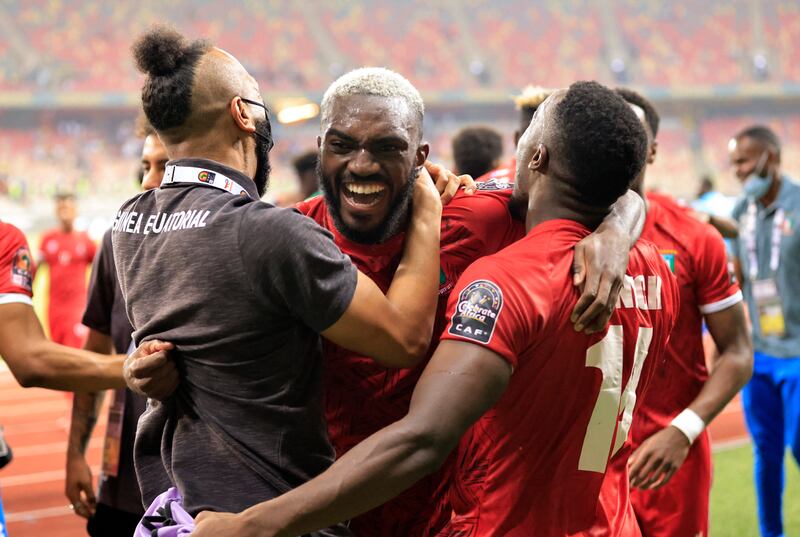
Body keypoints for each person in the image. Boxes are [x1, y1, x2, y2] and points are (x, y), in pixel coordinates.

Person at [128, 67, 647, 536]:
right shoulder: (282, 240)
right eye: (343, 144)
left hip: (442, 517)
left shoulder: (477, 216)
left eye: (387, 148)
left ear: (420, 158)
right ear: (321, 147)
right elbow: (198, 348)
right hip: (312, 516)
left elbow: (591, 177)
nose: (361, 165)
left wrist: (617, 225)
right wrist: (148, 371)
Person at [115, 27, 443, 534]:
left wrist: (143, 370)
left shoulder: (130, 221)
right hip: (273, 511)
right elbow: (403, 338)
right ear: (242, 114)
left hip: (184, 509)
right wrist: (426, 215)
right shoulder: (268, 231)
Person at [614, 88, 753, 537]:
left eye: (630, 134)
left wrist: (684, 429)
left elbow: (737, 351)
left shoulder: (693, 235)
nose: (616, 144)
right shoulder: (551, 232)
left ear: (652, 149)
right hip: (581, 462)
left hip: (667, 456)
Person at [64, 117, 168, 535]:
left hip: (199, 493)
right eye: (145, 166)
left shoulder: (238, 245)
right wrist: (75, 453)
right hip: (122, 487)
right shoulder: (116, 243)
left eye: (164, 167)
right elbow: (93, 357)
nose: (149, 181)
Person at [729, 125, 800, 537]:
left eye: (744, 161)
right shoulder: (741, 213)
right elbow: (741, 278)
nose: (738, 171)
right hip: (760, 353)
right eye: (734, 162)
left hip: (798, 352)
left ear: (769, 158)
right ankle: (770, 533)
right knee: (765, 452)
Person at [37, 192, 97, 348]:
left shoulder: (85, 240)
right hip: (54, 308)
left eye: (68, 208)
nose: (65, 212)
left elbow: (102, 270)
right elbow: (33, 271)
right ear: (56, 211)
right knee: (59, 349)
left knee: (76, 349)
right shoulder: (47, 239)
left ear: (75, 210)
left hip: (77, 307)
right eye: (61, 208)